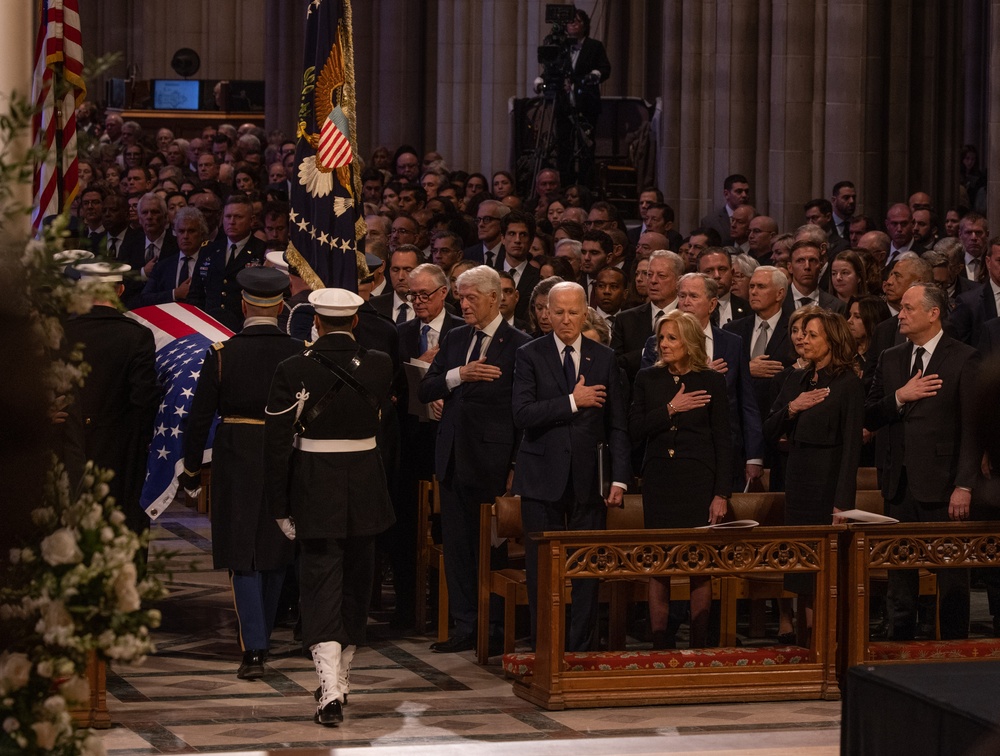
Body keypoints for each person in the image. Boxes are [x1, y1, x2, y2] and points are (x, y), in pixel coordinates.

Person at [263, 288, 396, 726]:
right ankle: (338, 682)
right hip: (366, 485)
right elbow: (386, 430)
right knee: (358, 583)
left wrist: (279, 505)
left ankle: (329, 690)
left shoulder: (292, 368)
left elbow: (278, 444)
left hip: (313, 486)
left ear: (316, 322)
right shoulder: (380, 364)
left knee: (320, 584)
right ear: (355, 321)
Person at [178, 268, 302, 680]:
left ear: (244, 305)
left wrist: (192, 470)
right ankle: (261, 635)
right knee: (276, 547)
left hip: (238, 456)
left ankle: (255, 647)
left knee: (241, 551)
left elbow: (198, 420)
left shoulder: (221, 353)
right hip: (287, 454)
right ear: (282, 306)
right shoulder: (300, 351)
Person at [419, 266, 532, 654]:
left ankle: (497, 627)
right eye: (460, 297)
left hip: (493, 462)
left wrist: (516, 466)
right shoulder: (454, 339)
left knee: (492, 548)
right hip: (452, 457)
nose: (463, 304)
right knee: (458, 546)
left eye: (470, 298)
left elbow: (523, 412)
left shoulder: (520, 344)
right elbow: (427, 387)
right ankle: (466, 625)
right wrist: (459, 375)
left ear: (493, 299)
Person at [512, 282, 630, 652]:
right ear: (546, 311)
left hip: (588, 479)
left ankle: (581, 649)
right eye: (557, 312)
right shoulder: (529, 354)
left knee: (586, 571)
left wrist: (620, 478)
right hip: (541, 479)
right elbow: (522, 414)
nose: (565, 320)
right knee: (541, 570)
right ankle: (546, 647)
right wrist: (572, 401)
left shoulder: (605, 357)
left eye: (573, 312)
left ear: (585, 312)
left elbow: (618, 425)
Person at [864, 282, 980, 640]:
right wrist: (899, 396)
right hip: (898, 484)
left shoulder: (964, 357)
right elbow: (869, 417)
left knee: (952, 576)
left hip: (944, 485)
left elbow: (973, 429)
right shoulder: (891, 357)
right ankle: (900, 648)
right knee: (900, 574)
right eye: (901, 307)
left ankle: (955, 649)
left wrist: (964, 485)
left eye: (909, 308)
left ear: (933, 313)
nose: (900, 314)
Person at [629, 310, 731, 648]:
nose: (664, 344)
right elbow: (635, 429)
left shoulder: (712, 381)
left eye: (672, 338)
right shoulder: (647, 378)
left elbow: (723, 441)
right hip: (659, 480)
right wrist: (671, 408)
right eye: (662, 337)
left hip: (697, 482)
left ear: (689, 341)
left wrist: (721, 494)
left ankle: (700, 645)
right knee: (659, 564)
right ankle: (659, 643)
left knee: (698, 566)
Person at [764, 309, 864, 638]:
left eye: (812, 335)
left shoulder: (848, 383)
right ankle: (807, 642)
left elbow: (851, 448)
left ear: (832, 340)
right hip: (798, 481)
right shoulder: (797, 379)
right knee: (802, 568)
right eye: (801, 334)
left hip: (827, 483)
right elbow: (769, 427)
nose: (802, 339)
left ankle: (827, 640)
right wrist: (794, 406)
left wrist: (842, 505)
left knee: (827, 571)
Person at [63, 262, 161, 539]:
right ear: (119, 290)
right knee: (121, 529)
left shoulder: (61, 332)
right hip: (121, 451)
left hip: (67, 447)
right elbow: (143, 398)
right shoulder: (137, 335)